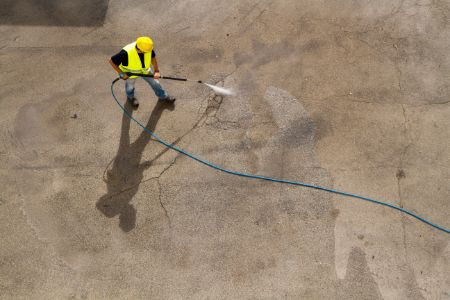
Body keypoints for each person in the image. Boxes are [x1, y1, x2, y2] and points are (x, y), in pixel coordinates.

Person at [109, 36, 176, 108]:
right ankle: (131, 97)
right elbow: (111, 61)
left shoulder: (147, 47)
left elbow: (153, 58)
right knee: (130, 87)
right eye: (146, 52)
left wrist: (156, 71)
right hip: (130, 73)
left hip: (145, 70)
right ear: (140, 50)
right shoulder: (125, 53)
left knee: (155, 83)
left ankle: (163, 96)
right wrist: (121, 73)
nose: (149, 51)